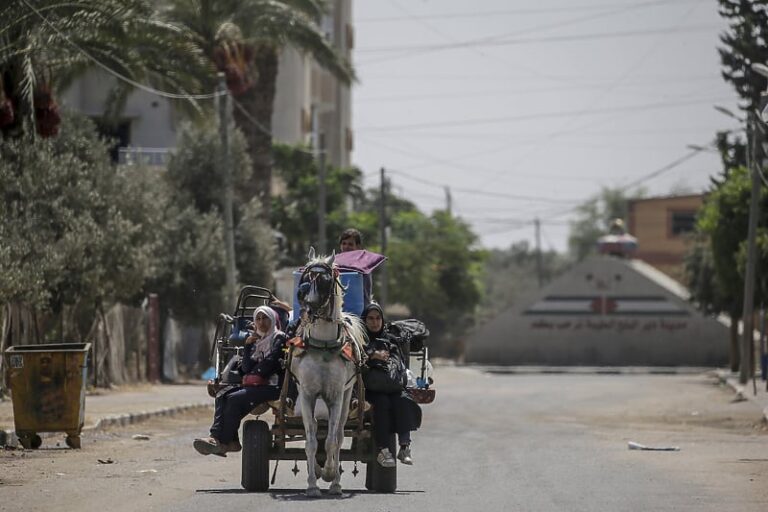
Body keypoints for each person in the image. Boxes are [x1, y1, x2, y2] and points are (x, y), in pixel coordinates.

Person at [193, 306, 287, 456]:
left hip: (273, 386)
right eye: (258, 319)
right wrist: (249, 345)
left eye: (265, 319)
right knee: (222, 394)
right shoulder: (257, 340)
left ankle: (221, 441)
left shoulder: (279, 337)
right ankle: (224, 439)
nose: (261, 323)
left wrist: (255, 373)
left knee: (234, 399)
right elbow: (245, 368)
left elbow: (272, 362)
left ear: (273, 320)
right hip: (256, 386)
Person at [361, 302, 421, 467]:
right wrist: (373, 355)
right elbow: (356, 358)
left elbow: (398, 359)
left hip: (392, 385)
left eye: (378, 318)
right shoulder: (360, 339)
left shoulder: (390, 339)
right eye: (370, 319)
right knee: (381, 404)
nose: (374, 322)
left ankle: (404, 446)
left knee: (403, 399)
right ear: (364, 321)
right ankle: (383, 449)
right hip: (370, 389)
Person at [338, 228, 373, 305]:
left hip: (359, 308)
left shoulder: (363, 265)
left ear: (358, 246)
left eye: (350, 244)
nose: (346, 246)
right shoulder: (334, 263)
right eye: (344, 243)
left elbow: (366, 293)